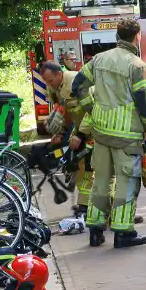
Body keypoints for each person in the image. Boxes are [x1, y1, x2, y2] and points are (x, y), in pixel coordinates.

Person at [71, 18, 146, 248]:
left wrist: (91, 107)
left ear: (117, 36)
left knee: (101, 182)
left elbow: (77, 85)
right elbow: (144, 102)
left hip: (100, 133)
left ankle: (96, 231)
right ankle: (123, 232)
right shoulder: (137, 66)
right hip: (126, 135)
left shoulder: (98, 59)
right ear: (137, 37)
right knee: (127, 183)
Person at [41, 61, 95, 216]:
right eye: (46, 81)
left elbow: (93, 111)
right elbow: (65, 113)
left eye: (50, 80)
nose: (48, 84)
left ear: (59, 74)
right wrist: (62, 134)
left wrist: (80, 134)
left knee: (94, 170)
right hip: (80, 129)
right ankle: (85, 206)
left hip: (95, 129)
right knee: (79, 168)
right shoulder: (54, 88)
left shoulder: (76, 81)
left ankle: (100, 210)